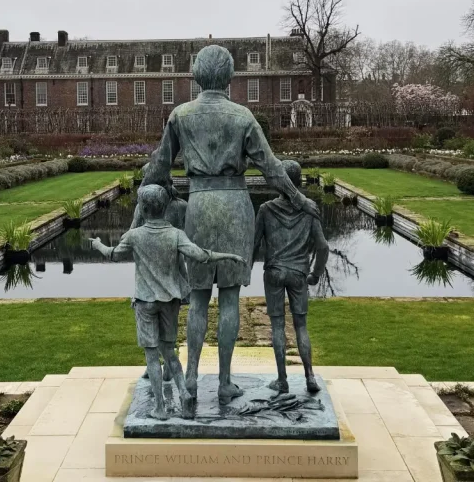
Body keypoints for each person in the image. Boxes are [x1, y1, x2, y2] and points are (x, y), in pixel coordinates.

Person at [141, 44, 319, 405]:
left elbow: (158, 169)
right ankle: (223, 381)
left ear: (196, 76)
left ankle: (190, 377)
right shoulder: (242, 117)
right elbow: (272, 169)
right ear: (230, 77)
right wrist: (300, 200)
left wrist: (148, 206)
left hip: (200, 205)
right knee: (230, 298)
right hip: (236, 206)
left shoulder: (180, 115)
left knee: (197, 297)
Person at [90, 185, 244, 420]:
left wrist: (97, 244)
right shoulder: (176, 235)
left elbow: (113, 254)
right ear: (165, 207)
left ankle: (160, 408)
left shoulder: (134, 236)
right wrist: (229, 255)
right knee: (170, 352)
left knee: (152, 356)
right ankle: (184, 393)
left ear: (142, 208)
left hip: (145, 303)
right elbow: (201, 255)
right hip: (170, 302)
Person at [253, 160, 329, 394]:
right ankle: (309, 376)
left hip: (274, 272)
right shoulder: (309, 208)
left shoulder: (266, 209)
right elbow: (323, 247)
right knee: (301, 325)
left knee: (277, 326)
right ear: (298, 182)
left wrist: (244, 271)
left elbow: (254, 245)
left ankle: (282, 379)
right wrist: (315, 274)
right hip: (298, 273)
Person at [131, 178, 189, 381]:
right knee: (169, 325)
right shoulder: (180, 205)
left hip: (153, 271)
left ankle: (156, 365)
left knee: (152, 329)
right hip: (173, 265)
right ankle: (165, 365)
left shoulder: (147, 205)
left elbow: (131, 234)